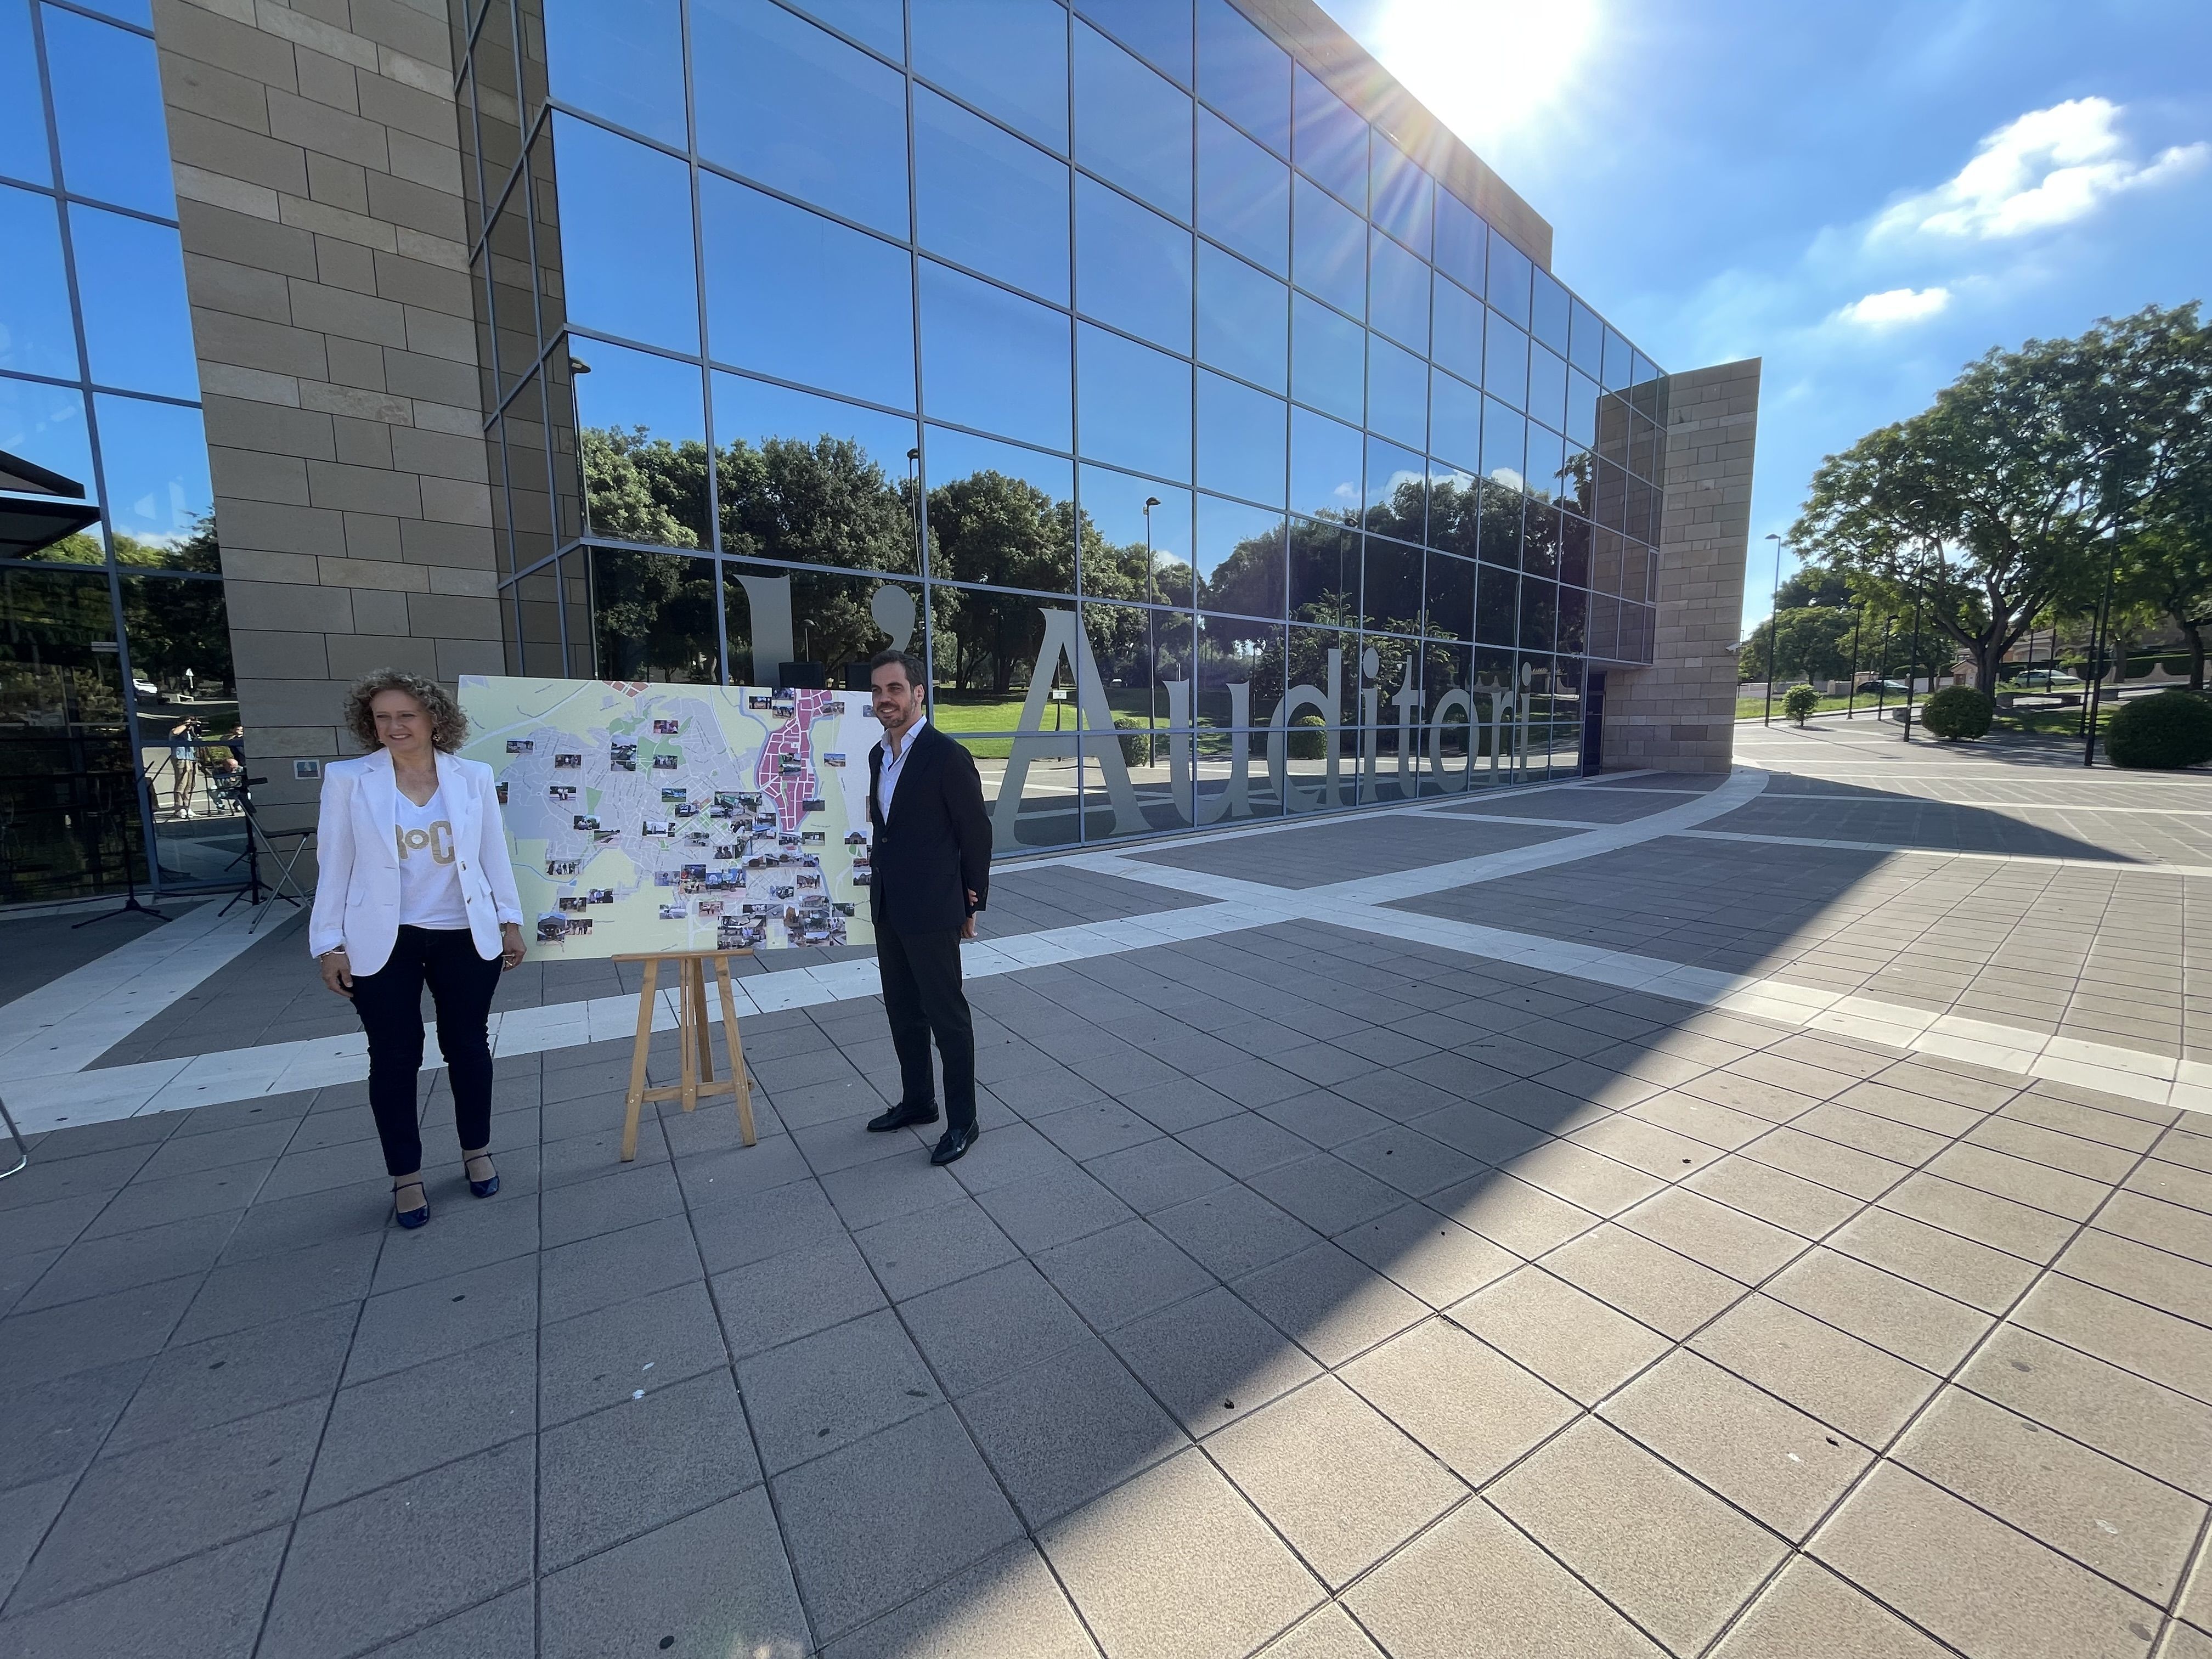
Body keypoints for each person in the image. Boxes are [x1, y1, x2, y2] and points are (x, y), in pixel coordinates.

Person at [309, 669, 526, 1227]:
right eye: (382, 717)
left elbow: (492, 853)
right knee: (394, 1056)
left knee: (468, 1046)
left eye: (406, 715)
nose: (394, 726)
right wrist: (329, 944)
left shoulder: (472, 776)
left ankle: (476, 1151)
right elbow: (333, 864)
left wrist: (510, 920)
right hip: (384, 940)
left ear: (434, 719)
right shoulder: (349, 779)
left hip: (464, 933)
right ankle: (406, 1175)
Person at [861, 648, 991, 1165]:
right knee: (902, 1011)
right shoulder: (878, 756)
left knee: (947, 1017)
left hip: (934, 907)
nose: (885, 699)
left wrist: (972, 900)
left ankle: (964, 1121)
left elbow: (975, 832)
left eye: (894, 689)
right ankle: (919, 1102)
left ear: (919, 693)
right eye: (877, 690)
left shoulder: (946, 755)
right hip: (889, 906)